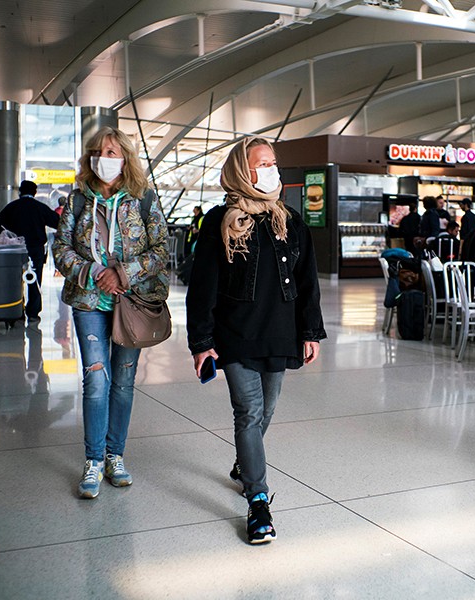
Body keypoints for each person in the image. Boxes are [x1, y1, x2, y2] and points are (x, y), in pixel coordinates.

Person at [186, 136, 326, 544]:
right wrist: (201, 342)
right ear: (240, 171)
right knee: (248, 412)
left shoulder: (291, 221)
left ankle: (244, 463)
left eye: (273, 162)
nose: (270, 170)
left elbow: (307, 282)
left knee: (267, 408)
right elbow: (202, 286)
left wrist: (310, 331)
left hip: (279, 331)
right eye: (260, 163)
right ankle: (258, 499)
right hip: (235, 334)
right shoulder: (221, 221)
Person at [52, 126, 169, 500]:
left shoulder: (144, 199)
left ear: (126, 159)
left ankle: (115, 455)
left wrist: (123, 273)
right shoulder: (77, 201)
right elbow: (60, 248)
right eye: (101, 152)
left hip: (130, 302)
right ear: (91, 157)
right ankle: (93, 461)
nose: (107, 158)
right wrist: (91, 273)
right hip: (89, 303)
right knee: (97, 380)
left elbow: (161, 248)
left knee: (123, 380)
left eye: (114, 153)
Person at [0, 180, 60, 323]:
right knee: (35, 279)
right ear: (34, 193)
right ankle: (33, 312)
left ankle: (16, 310)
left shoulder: (12, 207)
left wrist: (10, 236)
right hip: (35, 249)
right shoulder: (40, 208)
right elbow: (57, 221)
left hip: (15, 249)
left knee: (14, 279)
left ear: (20, 192)